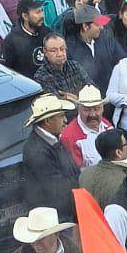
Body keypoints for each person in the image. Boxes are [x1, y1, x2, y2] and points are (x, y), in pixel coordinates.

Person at [21, 94, 79, 222]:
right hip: (57, 218)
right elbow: (57, 190)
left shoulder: (52, 140)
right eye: (61, 116)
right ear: (47, 121)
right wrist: (84, 179)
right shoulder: (37, 151)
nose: (65, 120)